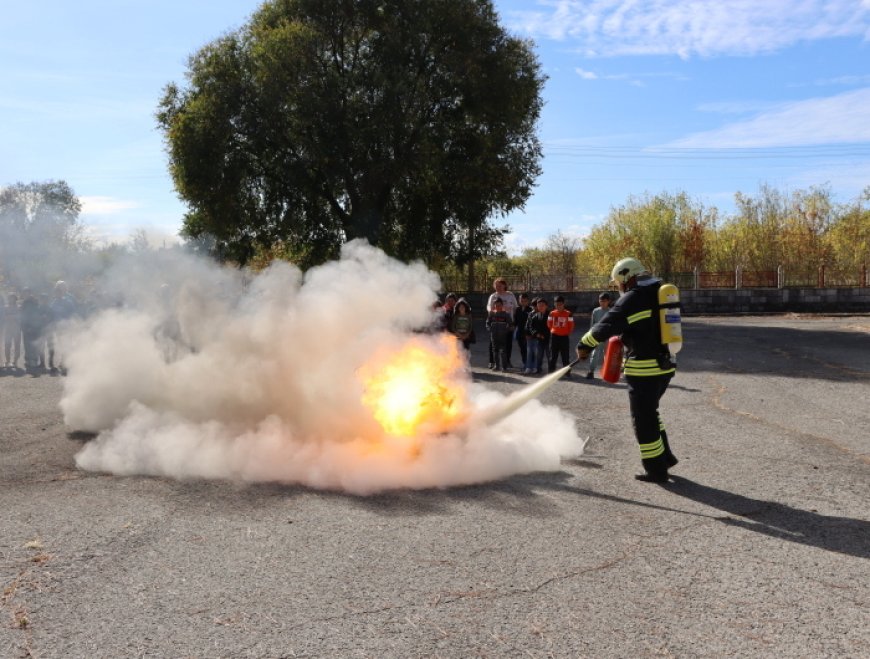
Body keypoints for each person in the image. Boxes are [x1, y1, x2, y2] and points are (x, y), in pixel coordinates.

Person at [576, 257, 679, 483]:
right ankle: (666, 458)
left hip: (644, 369)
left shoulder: (633, 298)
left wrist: (584, 344)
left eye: (618, 282)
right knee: (652, 412)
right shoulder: (659, 292)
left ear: (626, 276)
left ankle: (656, 470)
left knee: (643, 419)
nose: (619, 287)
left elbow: (606, 325)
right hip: (666, 365)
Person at [486, 278, 518, 368]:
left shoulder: (510, 295)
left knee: (508, 343)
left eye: (500, 285)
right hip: (495, 323)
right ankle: (492, 362)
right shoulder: (493, 296)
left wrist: (513, 321)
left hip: (507, 323)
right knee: (493, 343)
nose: (498, 287)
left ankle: (507, 361)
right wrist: (491, 312)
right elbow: (488, 307)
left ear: (504, 285)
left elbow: (515, 307)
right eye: (496, 286)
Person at [48, 280, 77, 373]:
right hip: (57, 328)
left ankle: (66, 364)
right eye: (57, 290)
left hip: (66, 327)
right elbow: (51, 314)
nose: (58, 292)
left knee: (66, 345)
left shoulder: (68, 301)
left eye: (60, 289)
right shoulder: (54, 302)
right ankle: (63, 363)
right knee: (61, 345)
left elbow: (72, 314)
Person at [586, 292, 613, 379]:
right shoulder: (595, 311)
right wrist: (591, 334)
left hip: (607, 337)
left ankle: (607, 372)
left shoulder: (611, 312)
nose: (602, 303)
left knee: (607, 354)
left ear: (608, 301)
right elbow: (592, 324)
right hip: (597, 336)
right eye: (600, 301)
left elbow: (613, 326)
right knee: (595, 354)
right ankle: (591, 371)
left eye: (604, 301)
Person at [547, 295, 575, 374]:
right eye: (557, 304)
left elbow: (571, 325)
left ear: (563, 304)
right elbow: (549, 324)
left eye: (560, 304)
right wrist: (553, 330)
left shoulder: (569, 313)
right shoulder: (551, 313)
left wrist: (567, 332)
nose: (558, 306)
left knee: (565, 355)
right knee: (553, 355)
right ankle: (551, 371)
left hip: (564, 337)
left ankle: (567, 372)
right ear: (554, 304)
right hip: (554, 336)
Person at [523, 297, 550, 375]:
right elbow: (530, 326)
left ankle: (551, 369)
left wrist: (547, 335)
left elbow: (553, 327)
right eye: (539, 305)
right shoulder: (535, 315)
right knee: (539, 355)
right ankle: (538, 369)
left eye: (542, 305)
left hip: (549, 339)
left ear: (546, 306)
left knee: (549, 355)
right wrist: (536, 334)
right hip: (539, 338)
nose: (540, 307)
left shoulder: (551, 314)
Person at [485, 298, 513, 371]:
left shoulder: (506, 314)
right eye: (496, 305)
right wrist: (490, 329)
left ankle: (504, 367)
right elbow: (487, 323)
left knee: (503, 352)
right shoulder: (491, 314)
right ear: (494, 306)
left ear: (502, 305)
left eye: (499, 305)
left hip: (503, 337)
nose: (498, 307)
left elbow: (511, 324)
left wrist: (506, 330)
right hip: (494, 336)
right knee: (495, 351)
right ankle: (497, 366)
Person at [3, 293, 22, 369]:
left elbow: (21, 317)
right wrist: (9, 317)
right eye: (10, 298)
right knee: (7, 345)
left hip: (17, 329)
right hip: (8, 329)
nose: (11, 299)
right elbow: (3, 317)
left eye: (13, 298)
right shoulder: (5, 308)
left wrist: (12, 316)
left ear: (15, 299)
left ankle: (15, 361)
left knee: (17, 346)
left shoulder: (19, 307)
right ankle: (7, 361)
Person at [513, 293, 532, 367]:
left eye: (525, 301)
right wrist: (513, 326)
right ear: (519, 301)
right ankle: (525, 363)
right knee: (522, 349)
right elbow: (516, 320)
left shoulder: (530, 310)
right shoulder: (517, 309)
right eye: (522, 300)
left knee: (529, 349)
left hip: (528, 333)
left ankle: (530, 364)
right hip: (519, 333)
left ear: (528, 301)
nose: (523, 302)